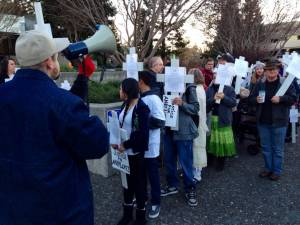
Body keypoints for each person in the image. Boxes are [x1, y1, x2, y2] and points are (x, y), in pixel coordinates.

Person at [0, 30, 109, 225]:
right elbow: (98, 144)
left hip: (13, 211)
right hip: (60, 212)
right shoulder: (63, 103)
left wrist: (82, 80)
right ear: (50, 61)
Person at [249, 59, 297, 181]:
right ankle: (268, 168)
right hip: (263, 121)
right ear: (265, 72)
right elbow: (251, 99)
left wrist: (280, 99)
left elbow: (293, 98)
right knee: (265, 147)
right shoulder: (260, 83)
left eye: (274, 70)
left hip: (279, 122)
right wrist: (256, 100)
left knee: (278, 149)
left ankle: (276, 171)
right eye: (269, 70)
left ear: (277, 71)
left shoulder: (284, 83)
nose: (271, 72)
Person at [113, 78, 150, 225]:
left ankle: (141, 218)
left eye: (121, 88)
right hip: (123, 154)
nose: (119, 91)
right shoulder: (125, 104)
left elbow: (143, 134)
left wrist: (126, 144)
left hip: (135, 154)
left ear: (127, 91)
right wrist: (115, 141)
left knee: (139, 185)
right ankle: (127, 215)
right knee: (126, 185)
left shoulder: (142, 108)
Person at [160, 81, 200, 207]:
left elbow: (195, 108)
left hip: (183, 132)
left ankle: (190, 189)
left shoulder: (189, 87)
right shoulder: (163, 85)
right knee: (168, 160)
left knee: (186, 162)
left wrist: (182, 103)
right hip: (168, 130)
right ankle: (172, 185)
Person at [138, 71, 165, 219]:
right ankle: (143, 198)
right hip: (140, 144)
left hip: (151, 144)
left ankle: (156, 202)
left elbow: (161, 122)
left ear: (142, 81)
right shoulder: (141, 97)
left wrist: (141, 121)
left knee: (153, 174)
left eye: (137, 80)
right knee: (141, 173)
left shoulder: (154, 99)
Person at [206, 78, 237, 171]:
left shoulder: (229, 88)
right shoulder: (210, 89)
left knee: (222, 141)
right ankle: (210, 160)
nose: (215, 77)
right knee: (211, 140)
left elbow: (233, 103)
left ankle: (221, 162)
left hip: (223, 119)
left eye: (217, 75)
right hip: (211, 118)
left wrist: (224, 97)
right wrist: (213, 99)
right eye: (214, 75)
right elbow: (206, 103)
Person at [188, 68, 208, 182]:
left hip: (197, 122)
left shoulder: (196, 89)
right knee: (196, 146)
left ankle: (197, 174)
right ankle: (194, 171)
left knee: (197, 147)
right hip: (199, 121)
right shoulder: (200, 88)